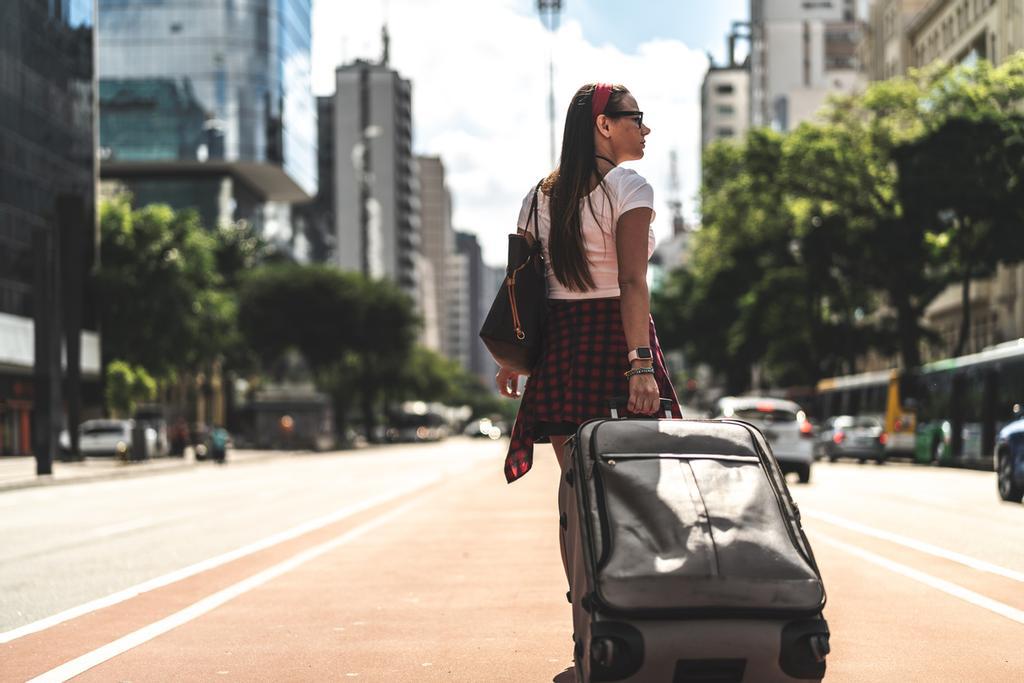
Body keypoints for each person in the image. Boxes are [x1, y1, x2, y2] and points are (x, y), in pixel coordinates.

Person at [497, 82, 681, 483]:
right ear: (604, 124)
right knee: (640, 492)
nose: (644, 129)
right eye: (636, 118)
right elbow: (631, 282)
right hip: (618, 342)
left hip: (560, 350)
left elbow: (520, 284)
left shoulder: (536, 198)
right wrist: (641, 367)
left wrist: (512, 359)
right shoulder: (629, 187)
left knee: (577, 494)